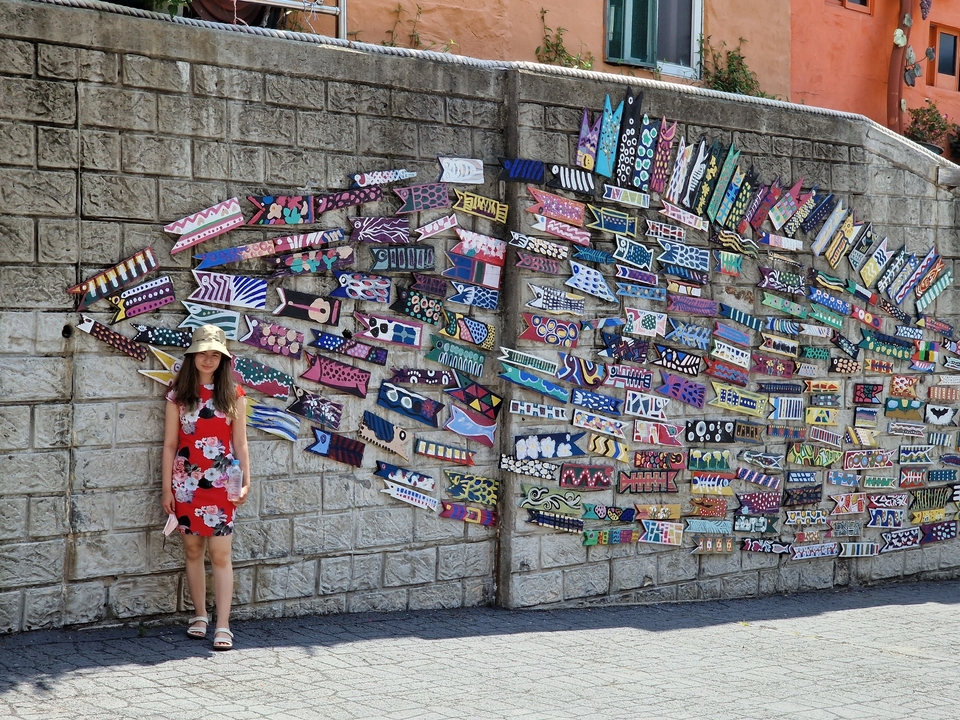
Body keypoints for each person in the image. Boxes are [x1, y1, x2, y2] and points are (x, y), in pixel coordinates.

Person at [161, 324, 250, 651]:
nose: (208, 359)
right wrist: (167, 489)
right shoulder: (178, 395)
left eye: (215, 354)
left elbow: (240, 445)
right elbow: (170, 445)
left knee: (221, 553)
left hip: (223, 486)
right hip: (186, 486)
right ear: (193, 356)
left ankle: (223, 624)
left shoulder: (233, 395)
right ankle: (200, 616)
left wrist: (246, 483)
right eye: (203, 353)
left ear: (223, 359)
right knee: (193, 550)